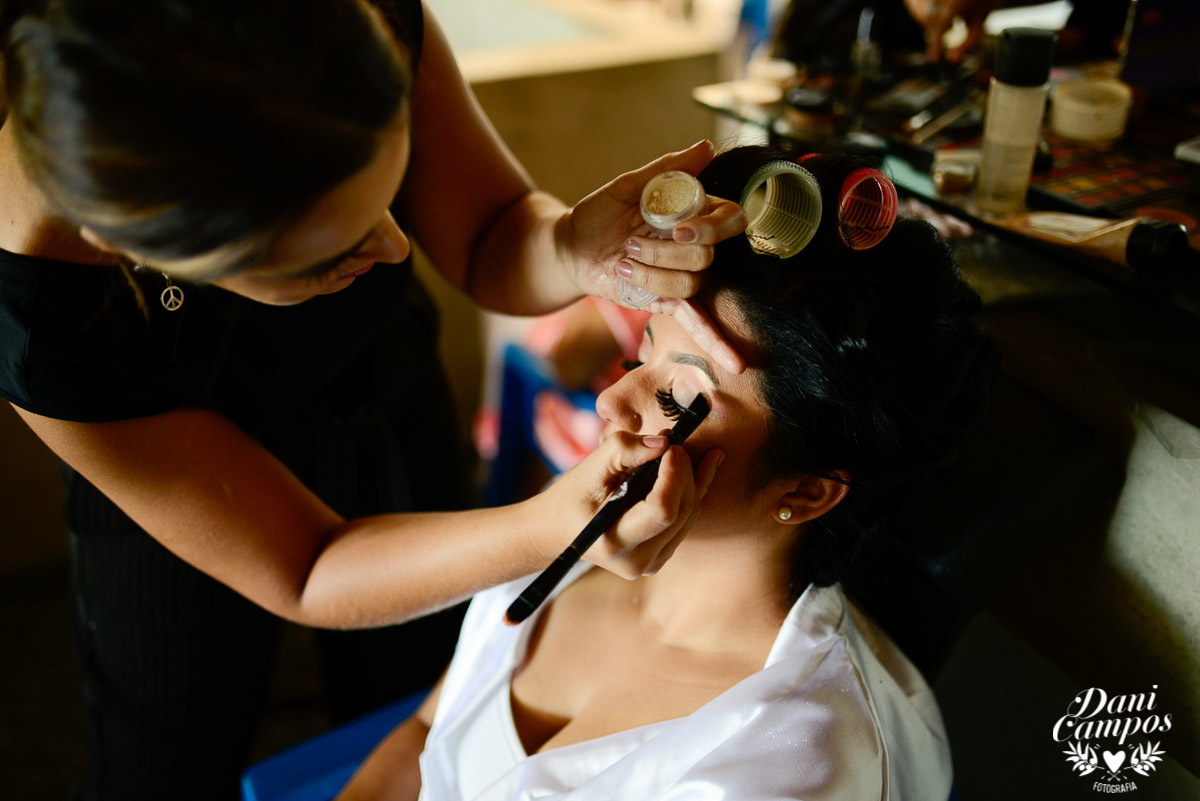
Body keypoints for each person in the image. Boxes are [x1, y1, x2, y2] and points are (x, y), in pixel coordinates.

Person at [0, 1, 746, 798]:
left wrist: (567, 247)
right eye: (336, 247)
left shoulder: (353, 20)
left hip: (379, 387)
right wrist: (557, 522)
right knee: (163, 749)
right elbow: (310, 566)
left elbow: (488, 230)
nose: (396, 247)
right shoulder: (43, 319)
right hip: (170, 484)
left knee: (423, 677)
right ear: (139, 250)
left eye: (388, 197)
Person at [337, 145, 997, 801]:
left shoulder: (787, 768)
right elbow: (427, 732)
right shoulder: (570, 537)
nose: (609, 404)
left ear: (807, 489)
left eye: (678, 398)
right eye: (639, 358)